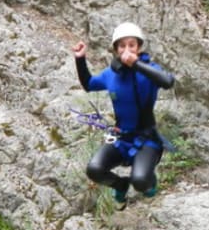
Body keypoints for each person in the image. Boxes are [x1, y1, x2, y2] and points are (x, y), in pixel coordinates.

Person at [72, 22, 174, 208]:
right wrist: (80, 59)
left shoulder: (149, 70)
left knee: (141, 182)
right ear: (116, 50)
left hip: (147, 140)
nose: (127, 50)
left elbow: (167, 81)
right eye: (122, 46)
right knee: (94, 169)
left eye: (131, 45)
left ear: (139, 47)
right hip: (121, 138)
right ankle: (120, 185)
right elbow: (88, 84)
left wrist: (136, 64)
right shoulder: (111, 74)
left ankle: (148, 179)